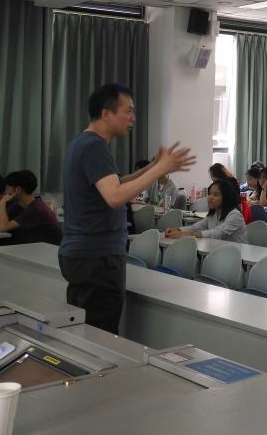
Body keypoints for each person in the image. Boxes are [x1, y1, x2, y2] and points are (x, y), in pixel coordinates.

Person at [61, 83, 195, 332]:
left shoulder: (81, 142)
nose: (133, 118)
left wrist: (151, 168)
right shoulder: (94, 146)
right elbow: (114, 197)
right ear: (106, 113)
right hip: (97, 256)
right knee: (99, 333)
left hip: (84, 254)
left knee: (86, 329)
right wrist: (160, 169)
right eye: (129, 111)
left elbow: (115, 185)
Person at [166, 179, 247, 242]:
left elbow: (217, 233)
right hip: (220, 251)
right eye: (209, 194)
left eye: (216, 195)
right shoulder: (213, 214)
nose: (210, 197)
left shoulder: (235, 215)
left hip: (239, 255)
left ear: (226, 198)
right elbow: (195, 227)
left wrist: (186, 234)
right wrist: (177, 230)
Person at [0, 170, 62, 245]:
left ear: (18, 190)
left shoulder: (36, 208)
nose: (5, 193)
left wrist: (2, 202)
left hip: (50, 250)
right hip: (34, 247)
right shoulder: (20, 205)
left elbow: (3, 228)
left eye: (8, 188)